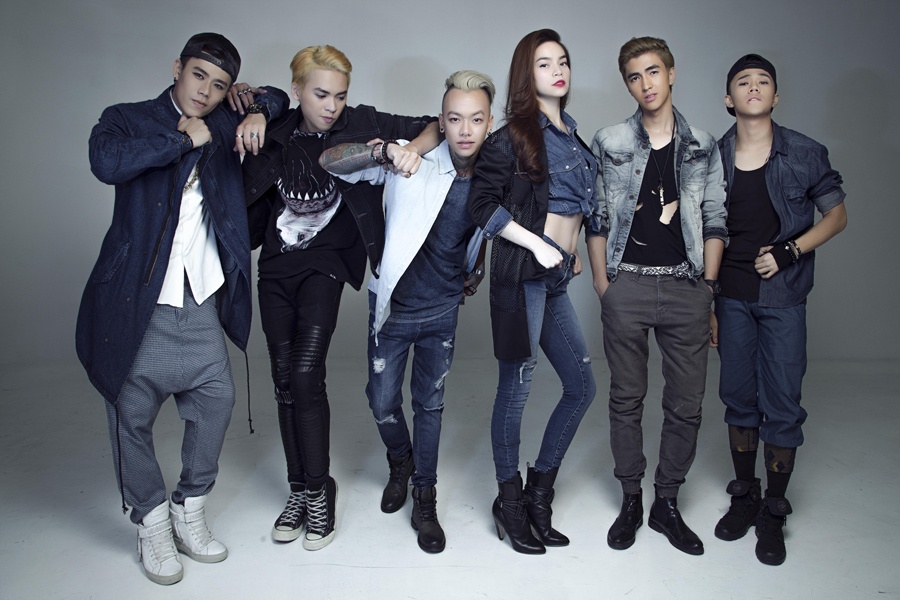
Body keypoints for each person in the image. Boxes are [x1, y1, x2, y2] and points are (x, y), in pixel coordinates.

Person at [76, 32, 287, 585]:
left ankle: (188, 508)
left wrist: (258, 109)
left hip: (199, 292)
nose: (205, 91)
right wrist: (179, 141)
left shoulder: (224, 119)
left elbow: (281, 99)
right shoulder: (128, 118)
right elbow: (105, 161)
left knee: (217, 398)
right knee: (130, 413)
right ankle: (149, 521)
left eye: (218, 85)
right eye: (198, 76)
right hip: (137, 298)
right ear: (177, 68)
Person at [241, 45, 439, 551]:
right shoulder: (276, 127)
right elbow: (249, 98)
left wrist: (406, 150)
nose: (331, 106)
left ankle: (319, 489)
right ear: (297, 91)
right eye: (320, 94)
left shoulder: (361, 121)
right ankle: (299, 489)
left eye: (340, 95)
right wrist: (259, 110)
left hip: (327, 267)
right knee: (283, 381)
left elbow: (435, 124)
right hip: (276, 267)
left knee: (307, 373)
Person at [319, 70, 494, 554]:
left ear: (489, 122)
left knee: (430, 405)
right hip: (392, 308)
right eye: (454, 119)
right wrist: (386, 153)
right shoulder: (412, 160)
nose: (464, 130)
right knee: (381, 401)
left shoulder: (492, 175)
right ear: (441, 119)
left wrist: (476, 268)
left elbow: (490, 226)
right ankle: (401, 459)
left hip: (442, 310)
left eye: (475, 119)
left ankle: (425, 495)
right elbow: (331, 162)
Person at [587, 36, 727, 556]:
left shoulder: (703, 144)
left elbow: (715, 218)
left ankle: (666, 502)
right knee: (626, 399)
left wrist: (708, 288)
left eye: (652, 71)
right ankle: (631, 498)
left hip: (687, 287)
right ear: (627, 84)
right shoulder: (610, 141)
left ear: (671, 73)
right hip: (628, 285)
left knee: (686, 404)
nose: (645, 84)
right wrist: (603, 284)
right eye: (634, 76)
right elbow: (598, 216)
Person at [711, 54, 847, 566]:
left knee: (783, 403)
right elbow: (704, 230)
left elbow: (837, 215)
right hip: (731, 296)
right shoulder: (712, 156)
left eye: (763, 81)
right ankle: (744, 495)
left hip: (784, 296)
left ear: (775, 96)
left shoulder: (804, 152)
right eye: (743, 82)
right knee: (738, 397)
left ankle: (774, 508)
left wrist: (791, 250)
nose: (753, 87)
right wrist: (708, 301)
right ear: (728, 99)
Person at [469, 29, 598, 555]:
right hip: (522, 273)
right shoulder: (512, 137)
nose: (558, 70)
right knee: (517, 389)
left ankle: (539, 494)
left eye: (563, 61)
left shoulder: (574, 136)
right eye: (544, 63)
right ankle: (509, 500)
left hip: (555, 276)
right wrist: (540, 245)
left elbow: (574, 205)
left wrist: (570, 251)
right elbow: (482, 206)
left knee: (581, 387)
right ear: (527, 73)